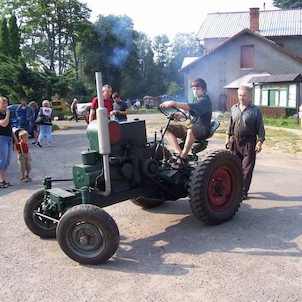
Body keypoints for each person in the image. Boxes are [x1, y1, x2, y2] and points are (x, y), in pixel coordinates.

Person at [159, 78, 212, 169]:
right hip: (192, 126)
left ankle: (183, 157)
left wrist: (174, 103)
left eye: (198, 89)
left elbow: (190, 107)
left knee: (191, 130)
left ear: (204, 90)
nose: (195, 91)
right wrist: (180, 115)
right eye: (194, 89)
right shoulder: (197, 101)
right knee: (166, 129)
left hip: (203, 128)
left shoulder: (205, 101)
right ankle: (179, 153)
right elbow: (192, 114)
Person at [225, 85, 265, 200]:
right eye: (240, 95)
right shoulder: (234, 108)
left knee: (246, 168)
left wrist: (259, 142)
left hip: (249, 142)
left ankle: (242, 192)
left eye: (244, 95)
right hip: (235, 141)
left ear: (250, 96)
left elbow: (260, 128)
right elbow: (230, 124)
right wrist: (227, 138)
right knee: (234, 166)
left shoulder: (255, 111)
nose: (241, 98)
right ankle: (233, 189)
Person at [0, 96, 18, 188]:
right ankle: (1, 180)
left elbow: (10, 128)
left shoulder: (6, 114)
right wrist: (7, 114)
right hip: (1, 138)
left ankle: (3, 180)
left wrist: (15, 139)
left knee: (7, 161)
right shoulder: (1, 114)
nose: (4, 105)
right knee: (2, 160)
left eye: (6, 103)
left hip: (8, 138)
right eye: (2, 103)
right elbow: (4, 124)